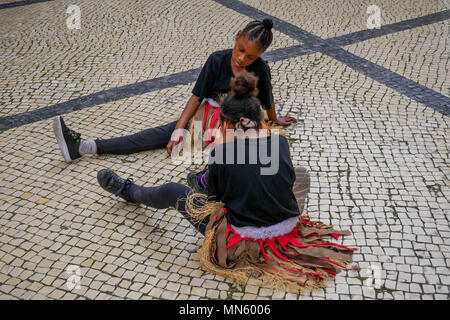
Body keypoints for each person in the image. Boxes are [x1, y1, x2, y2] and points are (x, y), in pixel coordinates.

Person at [96, 71, 355, 291]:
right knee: (277, 174)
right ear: (260, 121)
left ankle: (130, 191)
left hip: (243, 240)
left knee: (174, 191)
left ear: (226, 125)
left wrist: (217, 163)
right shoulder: (279, 141)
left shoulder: (221, 152)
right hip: (286, 231)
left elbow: (215, 202)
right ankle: (201, 180)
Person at [53, 18, 297, 163]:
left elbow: (267, 101)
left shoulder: (261, 69)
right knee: (157, 135)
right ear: (237, 37)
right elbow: (196, 96)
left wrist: (275, 120)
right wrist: (180, 128)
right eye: (240, 49)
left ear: (261, 56)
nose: (242, 58)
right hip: (207, 120)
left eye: (250, 56)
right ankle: (86, 147)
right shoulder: (217, 60)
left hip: (232, 127)